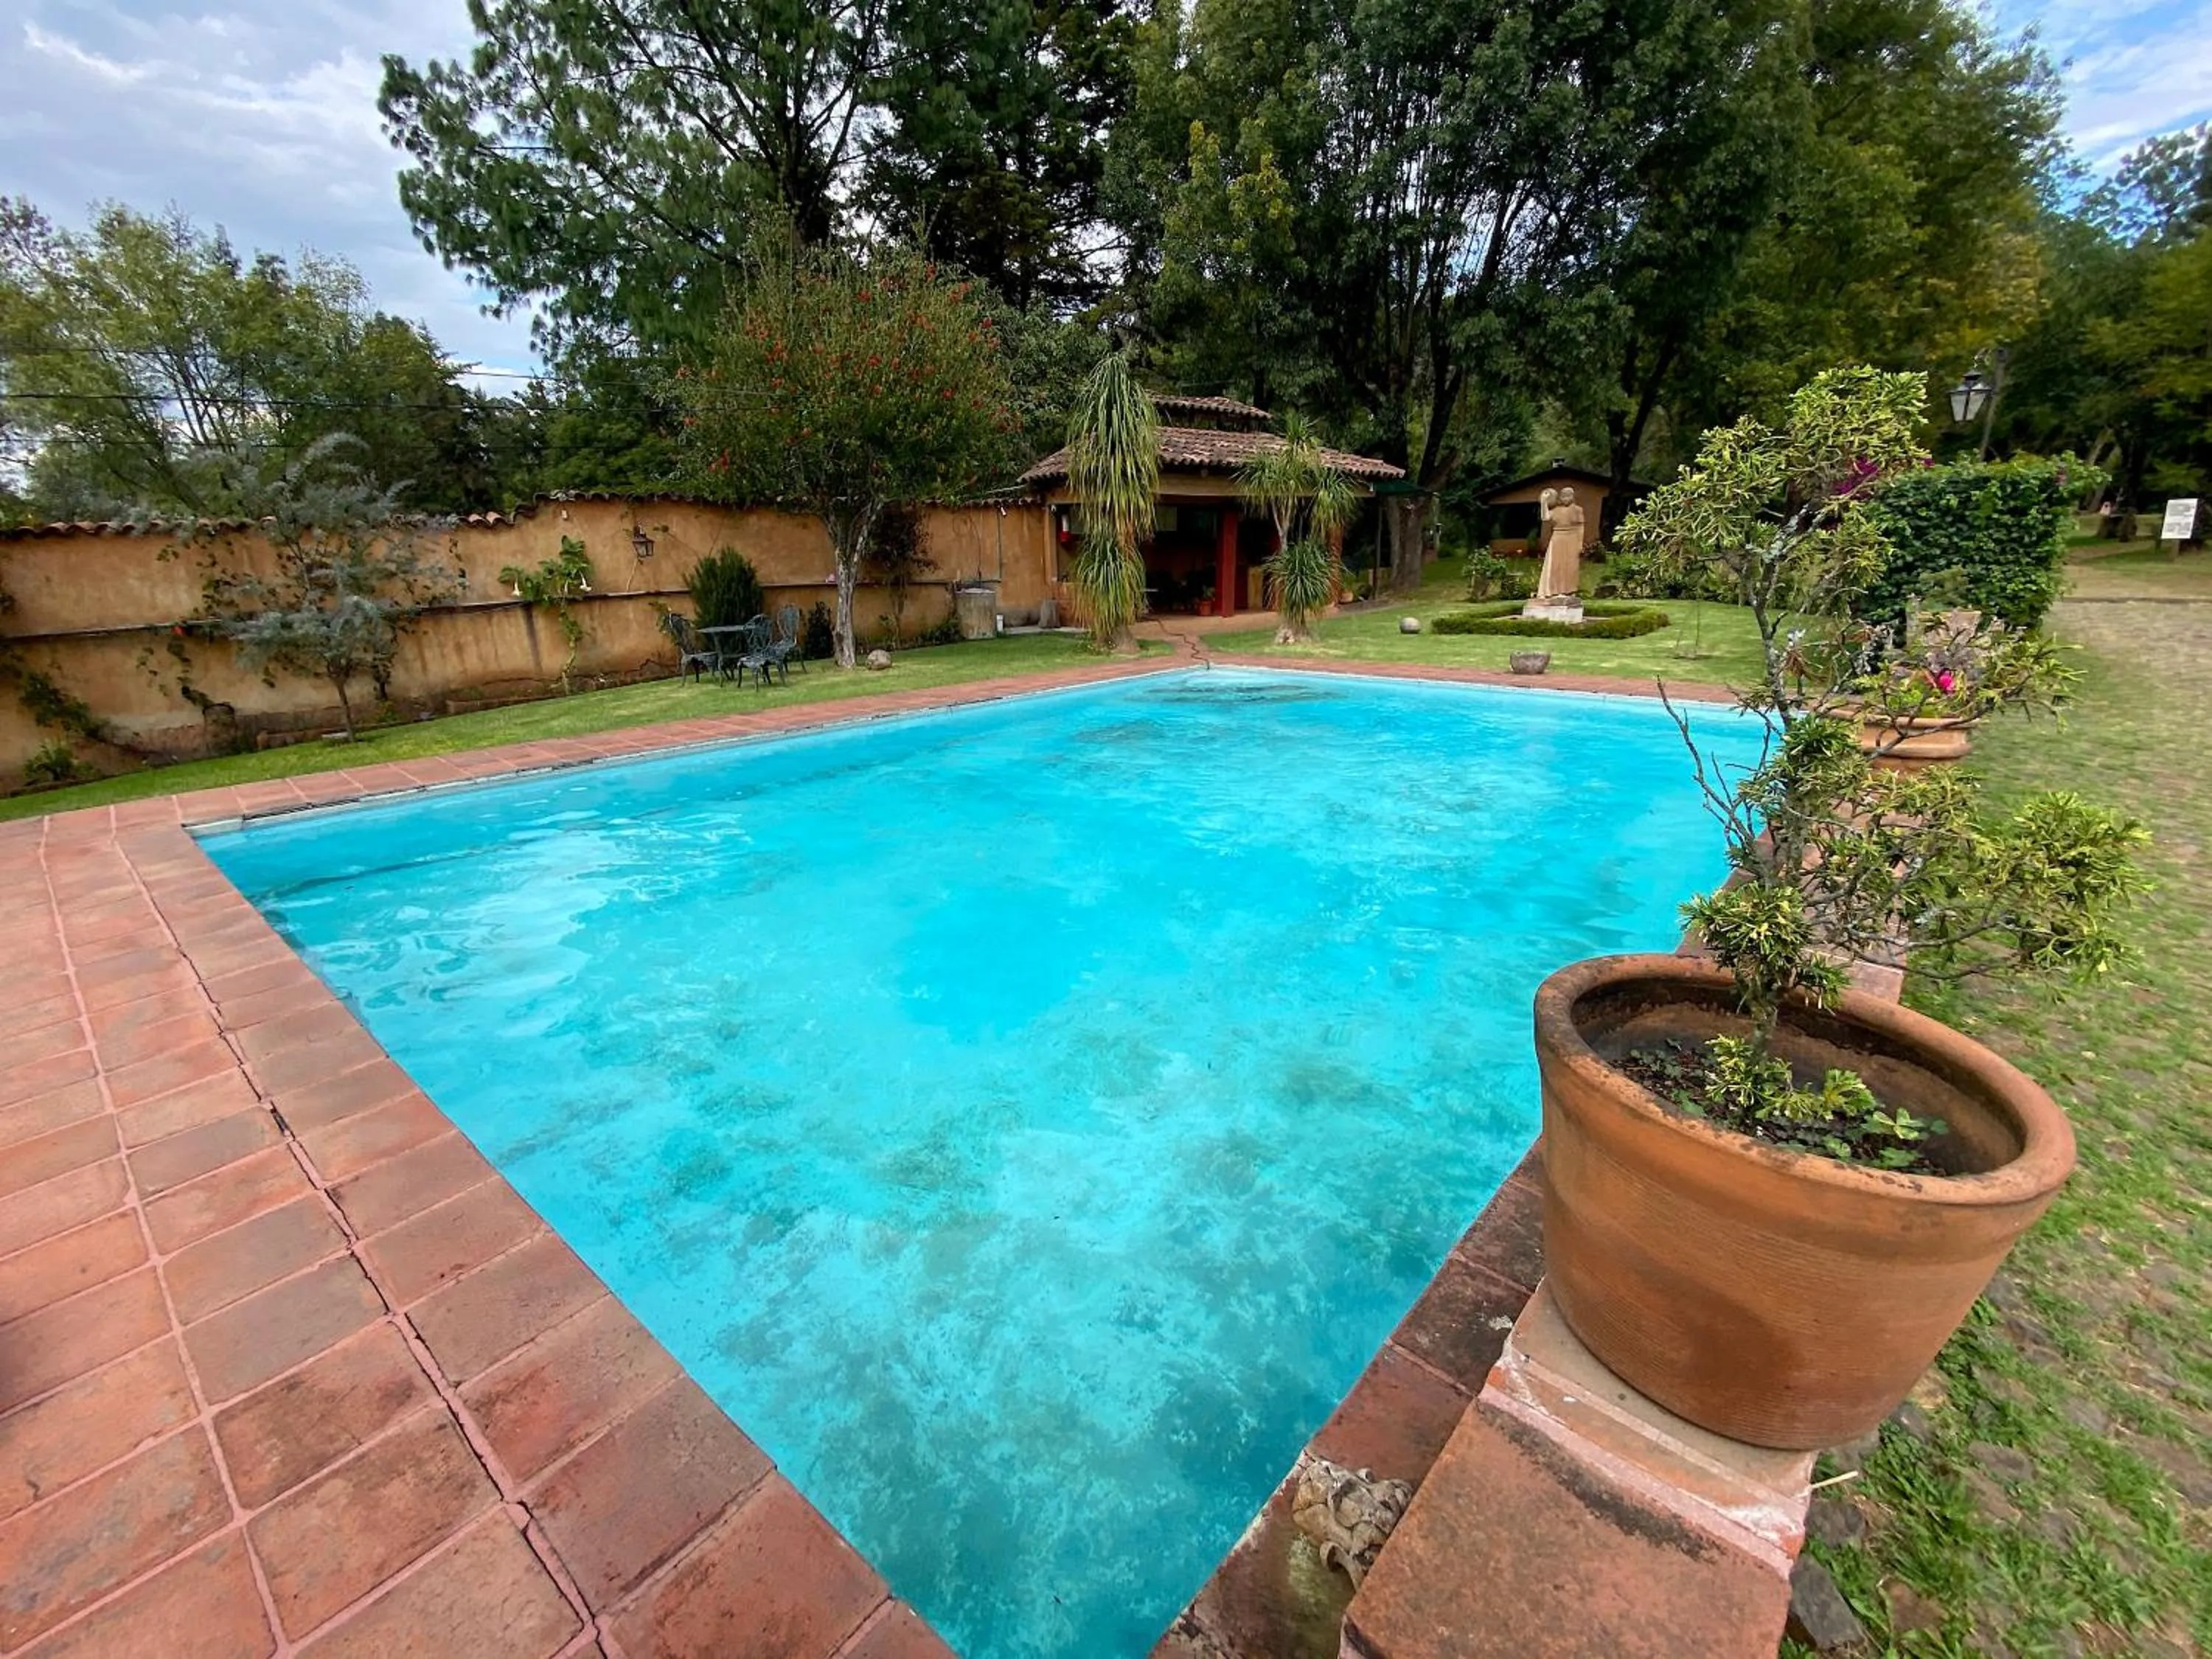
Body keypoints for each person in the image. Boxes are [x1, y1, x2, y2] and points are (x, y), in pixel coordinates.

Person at [1536, 487, 1585, 602]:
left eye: (1569, 496)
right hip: (1558, 538)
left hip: (1573, 538)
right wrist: (1544, 501)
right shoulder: (1556, 511)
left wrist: (1580, 544)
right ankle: (1555, 590)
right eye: (1563, 496)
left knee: (1571, 566)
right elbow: (1545, 517)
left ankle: (1569, 590)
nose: (1566, 499)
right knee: (1557, 565)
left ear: (1573, 497)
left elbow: (1581, 527)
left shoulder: (1578, 510)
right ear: (1560, 497)